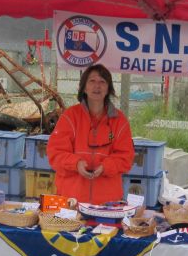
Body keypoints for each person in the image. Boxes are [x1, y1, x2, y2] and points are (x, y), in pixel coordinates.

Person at [47, 64, 134, 204]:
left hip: (107, 202)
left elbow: (126, 157)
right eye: (92, 81)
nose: (97, 86)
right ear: (84, 87)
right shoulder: (70, 116)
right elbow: (55, 153)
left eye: (102, 82)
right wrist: (76, 164)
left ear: (108, 89)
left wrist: (106, 167)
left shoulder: (120, 120)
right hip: (71, 199)